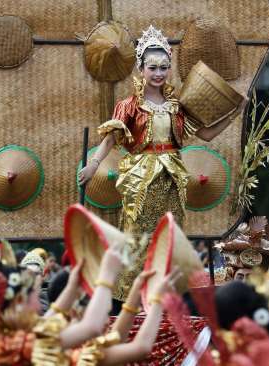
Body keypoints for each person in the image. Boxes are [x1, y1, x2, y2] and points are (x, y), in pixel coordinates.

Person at [78, 25, 240, 300]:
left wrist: (236, 112)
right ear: (141, 69)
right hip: (140, 178)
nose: (158, 73)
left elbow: (207, 134)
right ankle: (129, 301)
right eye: (152, 67)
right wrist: (93, 164)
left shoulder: (177, 105)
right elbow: (110, 139)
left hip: (172, 177)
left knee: (171, 238)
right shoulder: (128, 106)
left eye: (164, 67)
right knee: (137, 237)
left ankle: (166, 299)